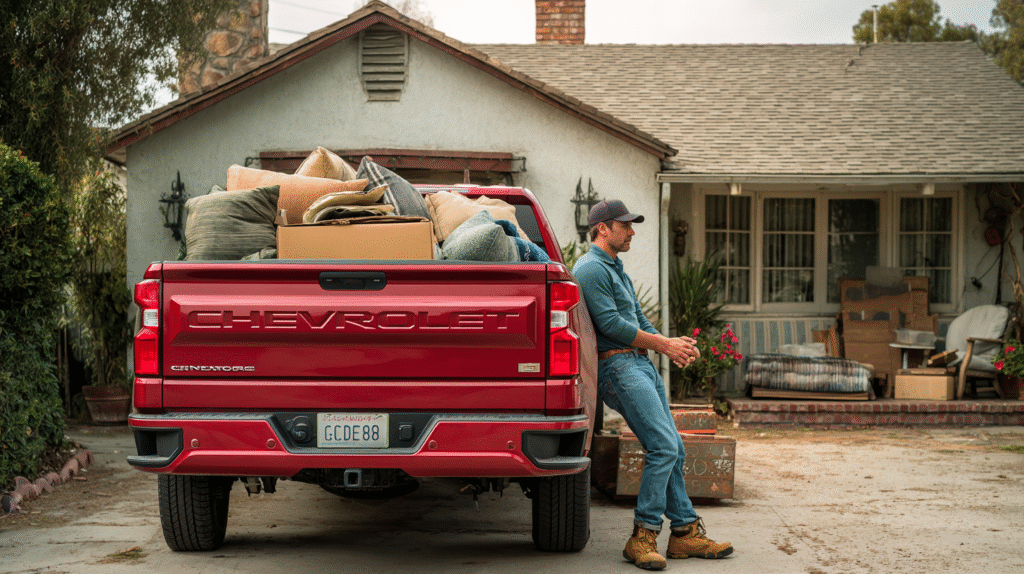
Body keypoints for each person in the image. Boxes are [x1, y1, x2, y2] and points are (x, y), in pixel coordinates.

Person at [573, 199, 733, 570]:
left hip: (639, 366)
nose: (632, 232)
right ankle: (642, 536)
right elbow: (611, 326)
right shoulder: (591, 269)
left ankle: (684, 533)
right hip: (618, 369)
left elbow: (639, 318)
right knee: (663, 446)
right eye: (625, 226)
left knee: (672, 445)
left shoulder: (615, 268)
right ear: (603, 229)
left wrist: (670, 346)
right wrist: (663, 345)